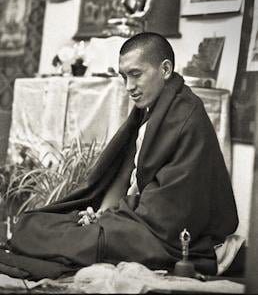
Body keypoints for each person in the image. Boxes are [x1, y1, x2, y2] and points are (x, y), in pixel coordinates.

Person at [0, 32, 239, 281]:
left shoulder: (188, 117)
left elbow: (173, 210)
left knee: (50, 236)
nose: (129, 87)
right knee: (33, 222)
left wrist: (110, 219)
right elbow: (125, 172)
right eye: (124, 77)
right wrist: (100, 214)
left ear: (165, 69)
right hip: (134, 219)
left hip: (159, 234)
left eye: (136, 74)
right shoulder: (150, 109)